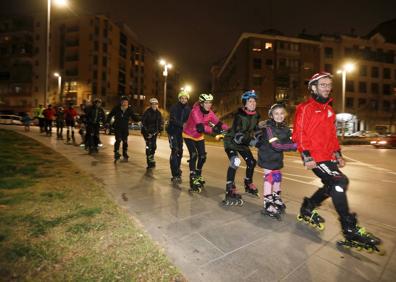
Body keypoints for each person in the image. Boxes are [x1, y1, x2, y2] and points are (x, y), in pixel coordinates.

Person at [292, 72, 381, 251]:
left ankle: (308, 207)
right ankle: (349, 229)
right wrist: (306, 155)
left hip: (328, 156)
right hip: (315, 157)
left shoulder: (330, 110)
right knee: (340, 181)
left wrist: (338, 153)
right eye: (323, 85)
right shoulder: (305, 108)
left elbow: (332, 135)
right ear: (313, 87)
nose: (327, 88)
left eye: (328, 85)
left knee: (333, 184)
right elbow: (299, 133)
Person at [255, 103, 297, 218]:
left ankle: (276, 197)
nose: (279, 116)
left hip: (277, 157)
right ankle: (267, 203)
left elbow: (288, 141)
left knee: (277, 177)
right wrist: (294, 146)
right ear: (271, 115)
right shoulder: (268, 127)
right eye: (276, 113)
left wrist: (297, 143)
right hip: (267, 156)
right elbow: (276, 145)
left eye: (282, 113)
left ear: (285, 114)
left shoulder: (285, 128)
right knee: (270, 178)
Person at [183, 93, 229, 192]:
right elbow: (200, 127)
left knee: (203, 156)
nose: (209, 105)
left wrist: (229, 130)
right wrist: (215, 132)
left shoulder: (210, 112)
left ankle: (198, 174)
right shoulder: (195, 111)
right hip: (189, 135)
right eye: (206, 103)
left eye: (210, 103)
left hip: (199, 136)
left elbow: (219, 123)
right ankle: (192, 177)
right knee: (194, 155)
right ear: (201, 104)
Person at [222, 90, 260, 206]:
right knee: (235, 161)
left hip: (243, 143)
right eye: (250, 101)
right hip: (232, 141)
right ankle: (230, 188)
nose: (253, 103)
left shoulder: (256, 115)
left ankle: (248, 183)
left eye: (254, 101)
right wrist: (252, 142)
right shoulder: (239, 116)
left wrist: (260, 139)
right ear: (245, 103)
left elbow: (256, 130)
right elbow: (238, 135)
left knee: (252, 162)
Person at [167, 91, 191, 183]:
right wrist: (183, 125)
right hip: (172, 131)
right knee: (175, 150)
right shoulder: (174, 107)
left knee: (180, 151)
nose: (183, 100)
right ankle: (175, 174)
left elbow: (190, 120)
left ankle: (177, 168)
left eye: (185, 98)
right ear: (179, 99)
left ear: (187, 99)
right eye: (182, 98)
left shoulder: (189, 109)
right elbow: (173, 119)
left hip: (181, 133)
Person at [106, 96, 138, 162]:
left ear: (128, 103)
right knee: (118, 140)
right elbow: (110, 115)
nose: (125, 103)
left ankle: (124, 153)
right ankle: (116, 152)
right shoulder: (116, 108)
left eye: (126, 102)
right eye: (123, 102)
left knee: (125, 141)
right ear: (121, 102)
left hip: (125, 128)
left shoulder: (129, 109)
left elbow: (134, 117)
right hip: (117, 127)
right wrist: (107, 122)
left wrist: (139, 119)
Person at [141, 98, 163, 168]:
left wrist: (160, 130)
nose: (154, 105)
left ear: (157, 105)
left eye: (155, 104)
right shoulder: (147, 112)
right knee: (149, 145)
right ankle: (149, 161)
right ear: (150, 105)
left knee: (154, 146)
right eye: (152, 104)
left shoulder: (158, 113)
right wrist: (147, 133)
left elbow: (160, 122)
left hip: (154, 132)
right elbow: (143, 123)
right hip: (146, 132)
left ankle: (151, 157)